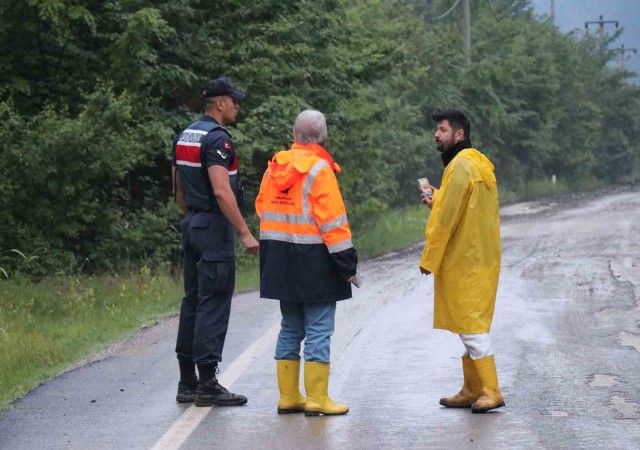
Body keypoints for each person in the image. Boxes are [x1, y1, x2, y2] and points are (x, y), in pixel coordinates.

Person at [255, 109, 359, 417]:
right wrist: (347, 265)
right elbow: (334, 223)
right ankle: (317, 399)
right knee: (318, 329)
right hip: (314, 260)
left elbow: (263, 208)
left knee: (290, 326)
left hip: (279, 258)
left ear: (295, 135)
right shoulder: (319, 170)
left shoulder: (274, 168)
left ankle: (289, 396)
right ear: (323, 137)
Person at [171, 77, 259, 407]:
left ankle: (186, 381)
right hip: (212, 228)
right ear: (219, 103)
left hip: (191, 223)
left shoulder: (185, 136)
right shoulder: (218, 140)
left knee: (192, 299)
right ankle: (207, 383)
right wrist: (244, 231)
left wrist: (193, 215)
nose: (237, 105)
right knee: (214, 300)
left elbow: (178, 190)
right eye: (234, 101)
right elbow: (222, 190)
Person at [419, 109, 504, 413]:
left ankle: (491, 390)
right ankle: (472, 388)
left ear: (459, 135)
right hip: (480, 255)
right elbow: (464, 208)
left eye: (442, 130)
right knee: (468, 322)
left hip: (465, 258)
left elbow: (446, 219)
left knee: (471, 325)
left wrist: (429, 258)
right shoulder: (477, 163)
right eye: (437, 130)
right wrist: (437, 198)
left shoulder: (458, 166)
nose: (436, 135)